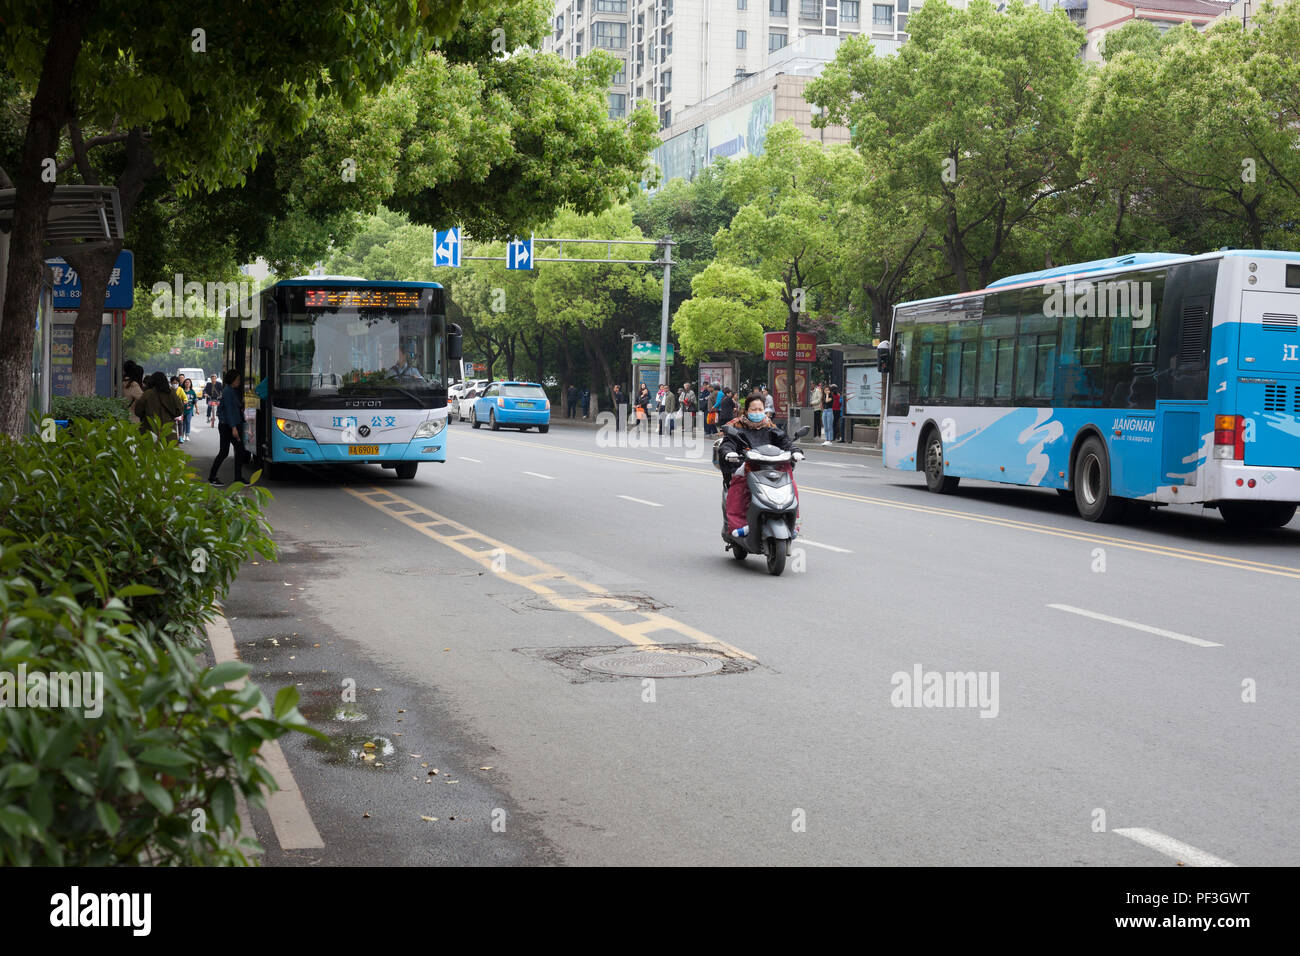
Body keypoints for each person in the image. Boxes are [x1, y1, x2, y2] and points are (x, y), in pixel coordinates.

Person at [718, 394, 803, 537]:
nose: (757, 412)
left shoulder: (771, 429)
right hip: (748, 469)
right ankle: (739, 525)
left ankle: (793, 524)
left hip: (772, 469)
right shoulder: (737, 429)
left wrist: (795, 452)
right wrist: (729, 453)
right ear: (746, 411)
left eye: (760, 409)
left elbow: (786, 443)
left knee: (791, 485)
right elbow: (728, 444)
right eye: (754, 409)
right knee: (739, 488)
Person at [209, 368, 248, 486]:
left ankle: (235, 477)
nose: (239, 382)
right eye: (237, 379)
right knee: (234, 451)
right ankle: (215, 477)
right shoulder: (229, 392)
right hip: (229, 426)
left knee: (228, 452)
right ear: (232, 380)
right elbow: (230, 411)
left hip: (227, 425)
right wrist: (234, 428)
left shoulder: (229, 390)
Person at [133, 372, 184, 440]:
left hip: (150, 430)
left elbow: (138, 411)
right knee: (167, 449)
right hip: (168, 432)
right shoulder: (171, 393)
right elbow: (179, 410)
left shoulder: (147, 394)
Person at [181, 377, 198, 442]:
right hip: (182, 410)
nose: (187, 383)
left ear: (190, 384)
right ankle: (182, 435)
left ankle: (187, 435)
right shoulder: (181, 391)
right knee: (183, 423)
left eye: (188, 382)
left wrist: (197, 409)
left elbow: (195, 401)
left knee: (188, 421)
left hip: (189, 409)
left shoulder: (192, 392)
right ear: (184, 383)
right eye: (186, 382)